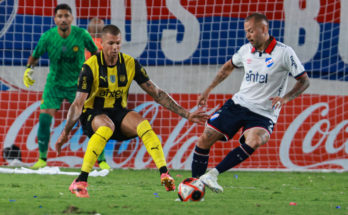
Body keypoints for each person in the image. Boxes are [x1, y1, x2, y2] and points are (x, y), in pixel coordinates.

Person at [55, 24, 209, 198]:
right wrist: (65, 132)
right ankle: (80, 181)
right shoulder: (90, 67)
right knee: (106, 127)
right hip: (93, 114)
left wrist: (187, 114)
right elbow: (77, 104)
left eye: (118, 43)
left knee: (144, 125)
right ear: (102, 44)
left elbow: (157, 93)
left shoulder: (129, 63)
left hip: (118, 112)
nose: (115, 48)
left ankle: (164, 173)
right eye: (111, 43)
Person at [191, 13, 310, 193]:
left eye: (251, 31)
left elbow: (304, 81)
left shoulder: (284, 52)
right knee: (205, 138)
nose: (248, 35)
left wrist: (285, 98)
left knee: (254, 140)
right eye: (246, 31)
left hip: (264, 113)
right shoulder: (246, 50)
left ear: (264, 29)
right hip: (238, 104)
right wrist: (208, 89)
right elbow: (227, 68)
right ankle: (193, 189)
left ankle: (212, 175)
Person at [23, 4, 99, 169]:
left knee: (92, 119)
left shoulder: (82, 34)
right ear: (55, 19)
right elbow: (34, 56)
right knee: (44, 118)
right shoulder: (48, 37)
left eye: (66, 16)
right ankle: (42, 159)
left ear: (72, 18)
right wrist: (29, 69)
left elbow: (96, 54)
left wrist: (96, 73)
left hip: (78, 84)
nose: (63, 19)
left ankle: (103, 161)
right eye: (60, 16)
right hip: (54, 84)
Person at [84, 17, 111, 170]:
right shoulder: (83, 43)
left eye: (101, 26)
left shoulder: (107, 45)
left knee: (97, 126)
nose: (99, 28)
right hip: (83, 90)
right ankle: (43, 159)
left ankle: (101, 160)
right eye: (97, 26)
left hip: (99, 92)